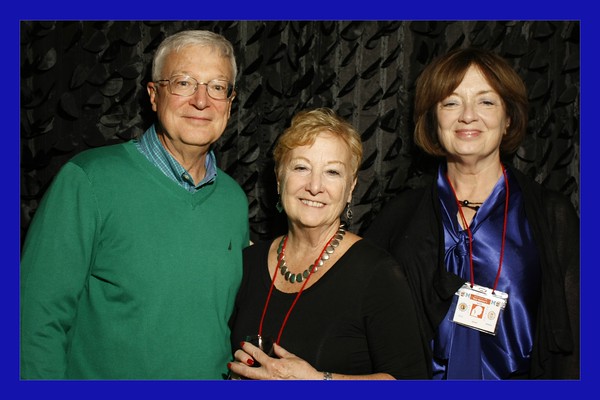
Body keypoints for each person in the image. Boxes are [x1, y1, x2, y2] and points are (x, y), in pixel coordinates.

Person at [20, 30, 249, 379]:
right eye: (184, 83)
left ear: (230, 104)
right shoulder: (88, 180)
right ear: (154, 95)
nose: (201, 101)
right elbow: (33, 321)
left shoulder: (233, 200)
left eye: (217, 87)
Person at [365, 47, 579, 379]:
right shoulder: (397, 218)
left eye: (486, 102)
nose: (468, 116)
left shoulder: (552, 216)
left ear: (508, 119)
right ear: (433, 119)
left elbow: (577, 343)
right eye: (451, 102)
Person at [227, 107, 428, 380]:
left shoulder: (377, 273)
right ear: (279, 179)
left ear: (351, 188)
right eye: (301, 167)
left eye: (332, 172)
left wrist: (320, 382)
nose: (314, 186)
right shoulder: (248, 262)